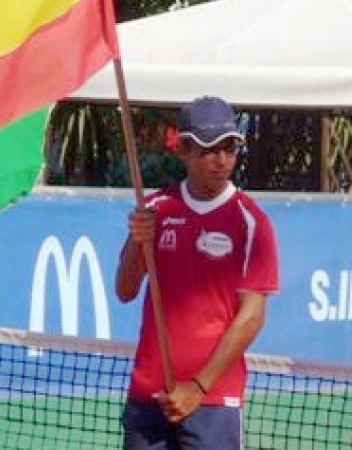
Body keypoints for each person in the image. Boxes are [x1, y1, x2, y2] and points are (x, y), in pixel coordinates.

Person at [116, 96, 280, 450]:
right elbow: (125, 289)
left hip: (213, 402)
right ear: (184, 151)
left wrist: (198, 387)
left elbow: (251, 317)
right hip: (149, 396)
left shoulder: (252, 222)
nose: (222, 161)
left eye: (229, 148)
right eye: (209, 150)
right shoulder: (156, 210)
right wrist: (136, 242)